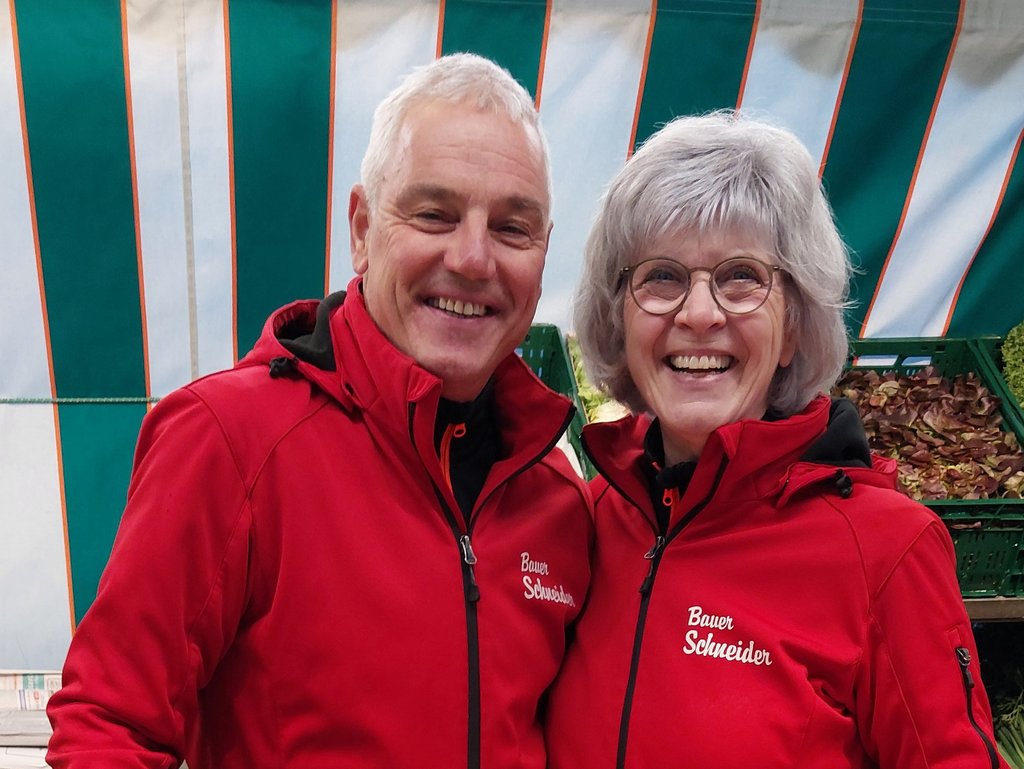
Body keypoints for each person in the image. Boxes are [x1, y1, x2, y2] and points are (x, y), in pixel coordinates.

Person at [46, 53, 593, 769]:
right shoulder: (230, 439)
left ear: (544, 253)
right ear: (363, 229)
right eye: (435, 213)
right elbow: (107, 727)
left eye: (512, 228)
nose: (472, 257)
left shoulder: (560, 499)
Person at [544, 110, 1007, 769]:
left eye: (740, 277)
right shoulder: (586, 524)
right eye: (662, 277)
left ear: (794, 325)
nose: (698, 314)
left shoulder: (885, 552)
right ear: (619, 318)